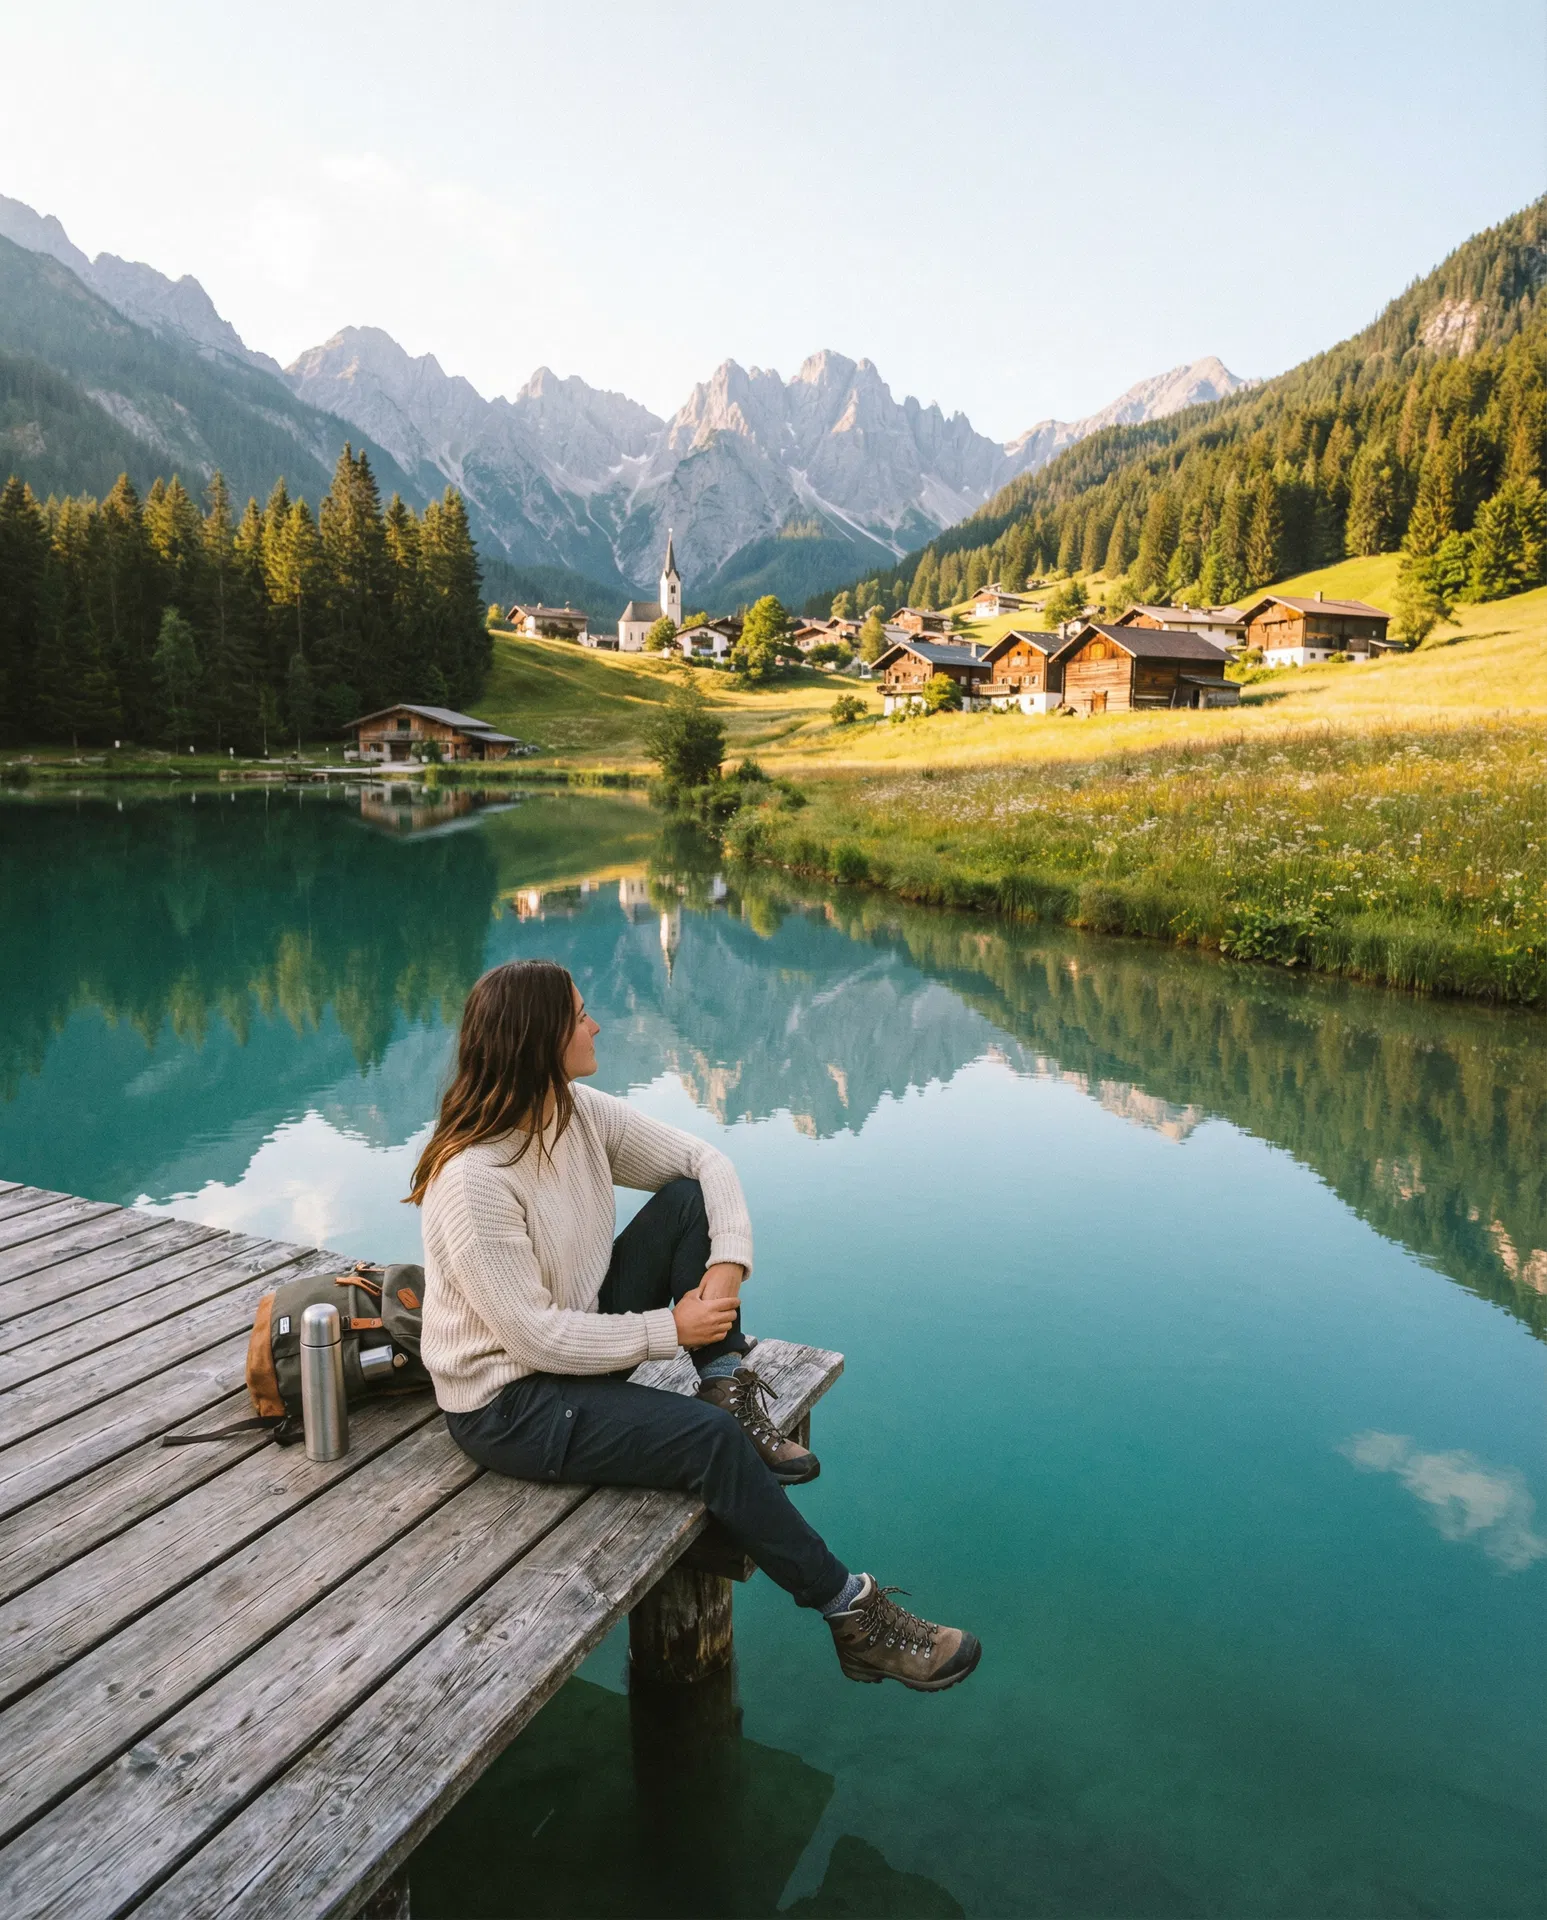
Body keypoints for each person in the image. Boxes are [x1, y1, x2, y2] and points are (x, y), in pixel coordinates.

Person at [409, 958, 979, 1692]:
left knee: (684, 1198)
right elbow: (535, 1339)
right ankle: (852, 1617)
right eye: (580, 1014)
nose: (596, 1023)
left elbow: (704, 1161)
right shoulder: (473, 1179)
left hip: (576, 1345)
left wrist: (726, 1270)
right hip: (509, 1405)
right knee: (711, 1445)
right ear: (539, 1039)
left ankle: (721, 1381)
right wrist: (669, 1328)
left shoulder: (574, 1113)